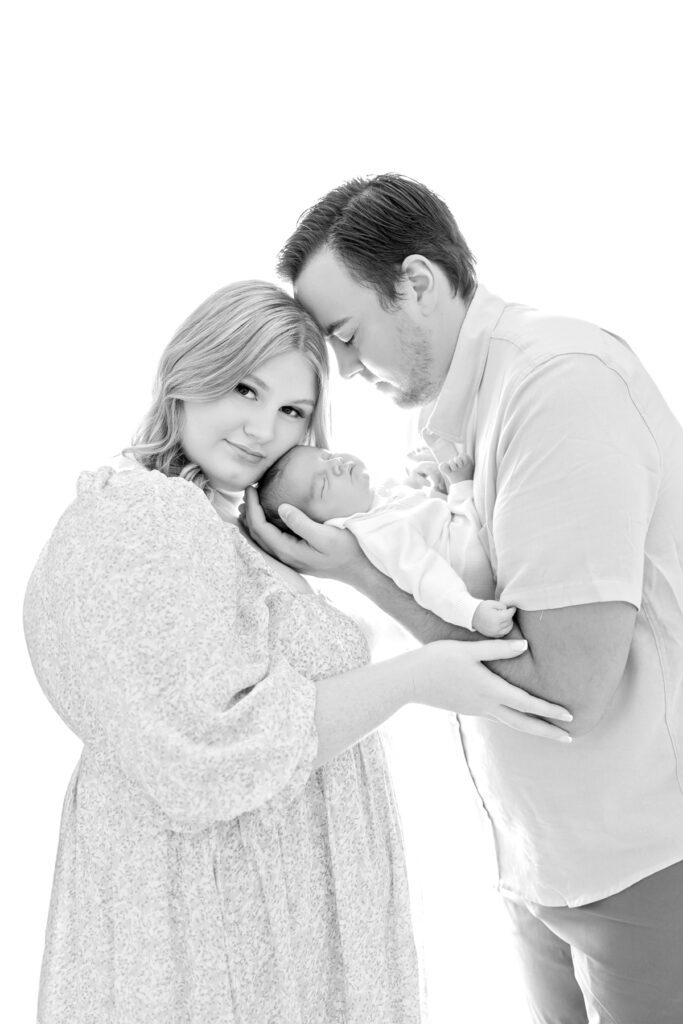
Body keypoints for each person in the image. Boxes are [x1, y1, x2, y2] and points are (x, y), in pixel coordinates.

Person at [23, 280, 573, 1024]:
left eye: (292, 411)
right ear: (188, 374)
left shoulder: (219, 528)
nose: (262, 428)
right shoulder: (145, 516)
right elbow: (207, 754)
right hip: (217, 916)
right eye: (244, 389)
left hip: (261, 905)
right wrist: (415, 678)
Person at [244, 175, 683, 1024]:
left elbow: (566, 693)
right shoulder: (445, 416)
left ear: (416, 283)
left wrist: (363, 576)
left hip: (643, 861)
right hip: (542, 862)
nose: (342, 369)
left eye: (345, 335)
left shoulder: (558, 385)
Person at [258, 443, 514, 636]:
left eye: (326, 455)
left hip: (463, 541)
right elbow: (426, 577)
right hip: (471, 578)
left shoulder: (377, 503)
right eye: (323, 483)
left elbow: (425, 522)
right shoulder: (378, 533)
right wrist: (471, 612)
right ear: (321, 525)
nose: (336, 464)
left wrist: (429, 486)